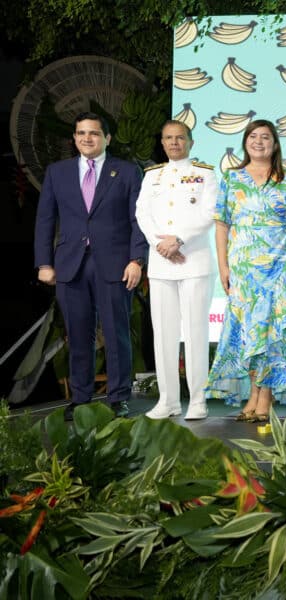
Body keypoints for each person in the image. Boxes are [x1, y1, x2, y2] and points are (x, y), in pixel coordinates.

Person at [34, 112, 146, 421]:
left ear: (107, 138)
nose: (87, 138)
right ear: (74, 138)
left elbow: (139, 220)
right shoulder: (58, 172)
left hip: (115, 264)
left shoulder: (125, 171)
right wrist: (44, 262)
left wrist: (137, 260)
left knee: (116, 333)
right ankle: (80, 398)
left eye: (94, 133)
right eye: (81, 133)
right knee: (78, 334)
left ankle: (119, 397)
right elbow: (45, 220)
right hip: (70, 265)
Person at [207, 119, 286, 423]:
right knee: (248, 331)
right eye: (253, 136)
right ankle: (253, 392)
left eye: (265, 137)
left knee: (273, 331)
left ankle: (267, 396)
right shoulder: (231, 178)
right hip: (244, 267)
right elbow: (222, 224)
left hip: (280, 264)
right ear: (245, 142)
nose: (259, 141)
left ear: (275, 144)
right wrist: (223, 266)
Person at [135, 120, 216, 420]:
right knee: (164, 334)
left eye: (179, 138)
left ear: (190, 142)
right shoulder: (152, 175)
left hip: (192, 260)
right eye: (168, 138)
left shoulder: (205, 173)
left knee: (195, 332)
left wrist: (178, 239)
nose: (173, 143)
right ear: (163, 141)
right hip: (161, 262)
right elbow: (142, 212)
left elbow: (209, 212)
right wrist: (161, 244)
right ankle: (168, 400)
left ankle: (198, 400)